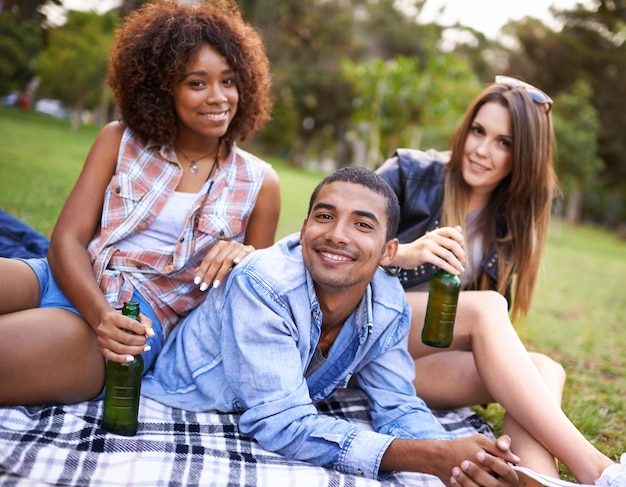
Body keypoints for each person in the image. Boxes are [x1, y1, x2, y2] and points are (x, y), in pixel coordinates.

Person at [142, 167, 523, 487]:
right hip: (193, 396)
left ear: (389, 252)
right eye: (325, 217)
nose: (338, 234)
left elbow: (398, 405)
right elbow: (283, 424)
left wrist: (461, 463)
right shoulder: (263, 285)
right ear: (305, 227)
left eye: (362, 224)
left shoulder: (388, 304)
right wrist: (431, 456)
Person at [0, 0, 280, 406]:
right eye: (197, 83)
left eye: (229, 81)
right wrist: (99, 313)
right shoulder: (119, 140)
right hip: (61, 279)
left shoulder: (259, 182)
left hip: (131, 326)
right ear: (163, 87)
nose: (219, 97)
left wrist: (248, 257)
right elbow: (66, 240)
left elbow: (259, 300)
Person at [376, 76, 625, 485]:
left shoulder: (511, 220)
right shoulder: (409, 172)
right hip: (362, 346)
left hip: (412, 369)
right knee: (488, 309)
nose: (481, 150)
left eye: (503, 142)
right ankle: (597, 470)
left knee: (545, 369)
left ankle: (534, 478)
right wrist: (401, 252)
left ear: (523, 156)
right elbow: (330, 242)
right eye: (478, 131)